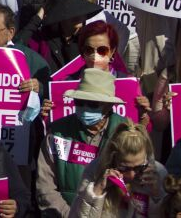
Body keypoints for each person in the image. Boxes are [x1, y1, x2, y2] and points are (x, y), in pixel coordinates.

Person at [37, 68, 131, 216]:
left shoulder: (127, 134)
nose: (85, 108)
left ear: (109, 106)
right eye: (80, 102)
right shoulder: (57, 132)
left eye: (93, 104)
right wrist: (71, 215)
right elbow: (45, 185)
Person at [70, 122, 169, 217]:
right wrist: (97, 191)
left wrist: (156, 196)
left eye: (139, 168)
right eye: (124, 168)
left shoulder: (158, 173)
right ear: (112, 159)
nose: (131, 175)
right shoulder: (95, 170)